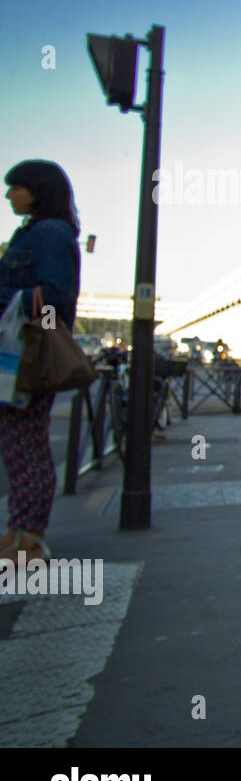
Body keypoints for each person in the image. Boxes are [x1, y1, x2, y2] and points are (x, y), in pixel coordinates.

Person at [0, 161, 82, 564]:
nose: (9, 194)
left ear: (39, 190)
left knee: (25, 445)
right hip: (20, 350)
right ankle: (18, 530)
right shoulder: (36, 231)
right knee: (17, 444)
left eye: (16, 187)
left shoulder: (49, 233)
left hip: (26, 354)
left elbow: (53, 294)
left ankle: (29, 538)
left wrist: (34, 332)